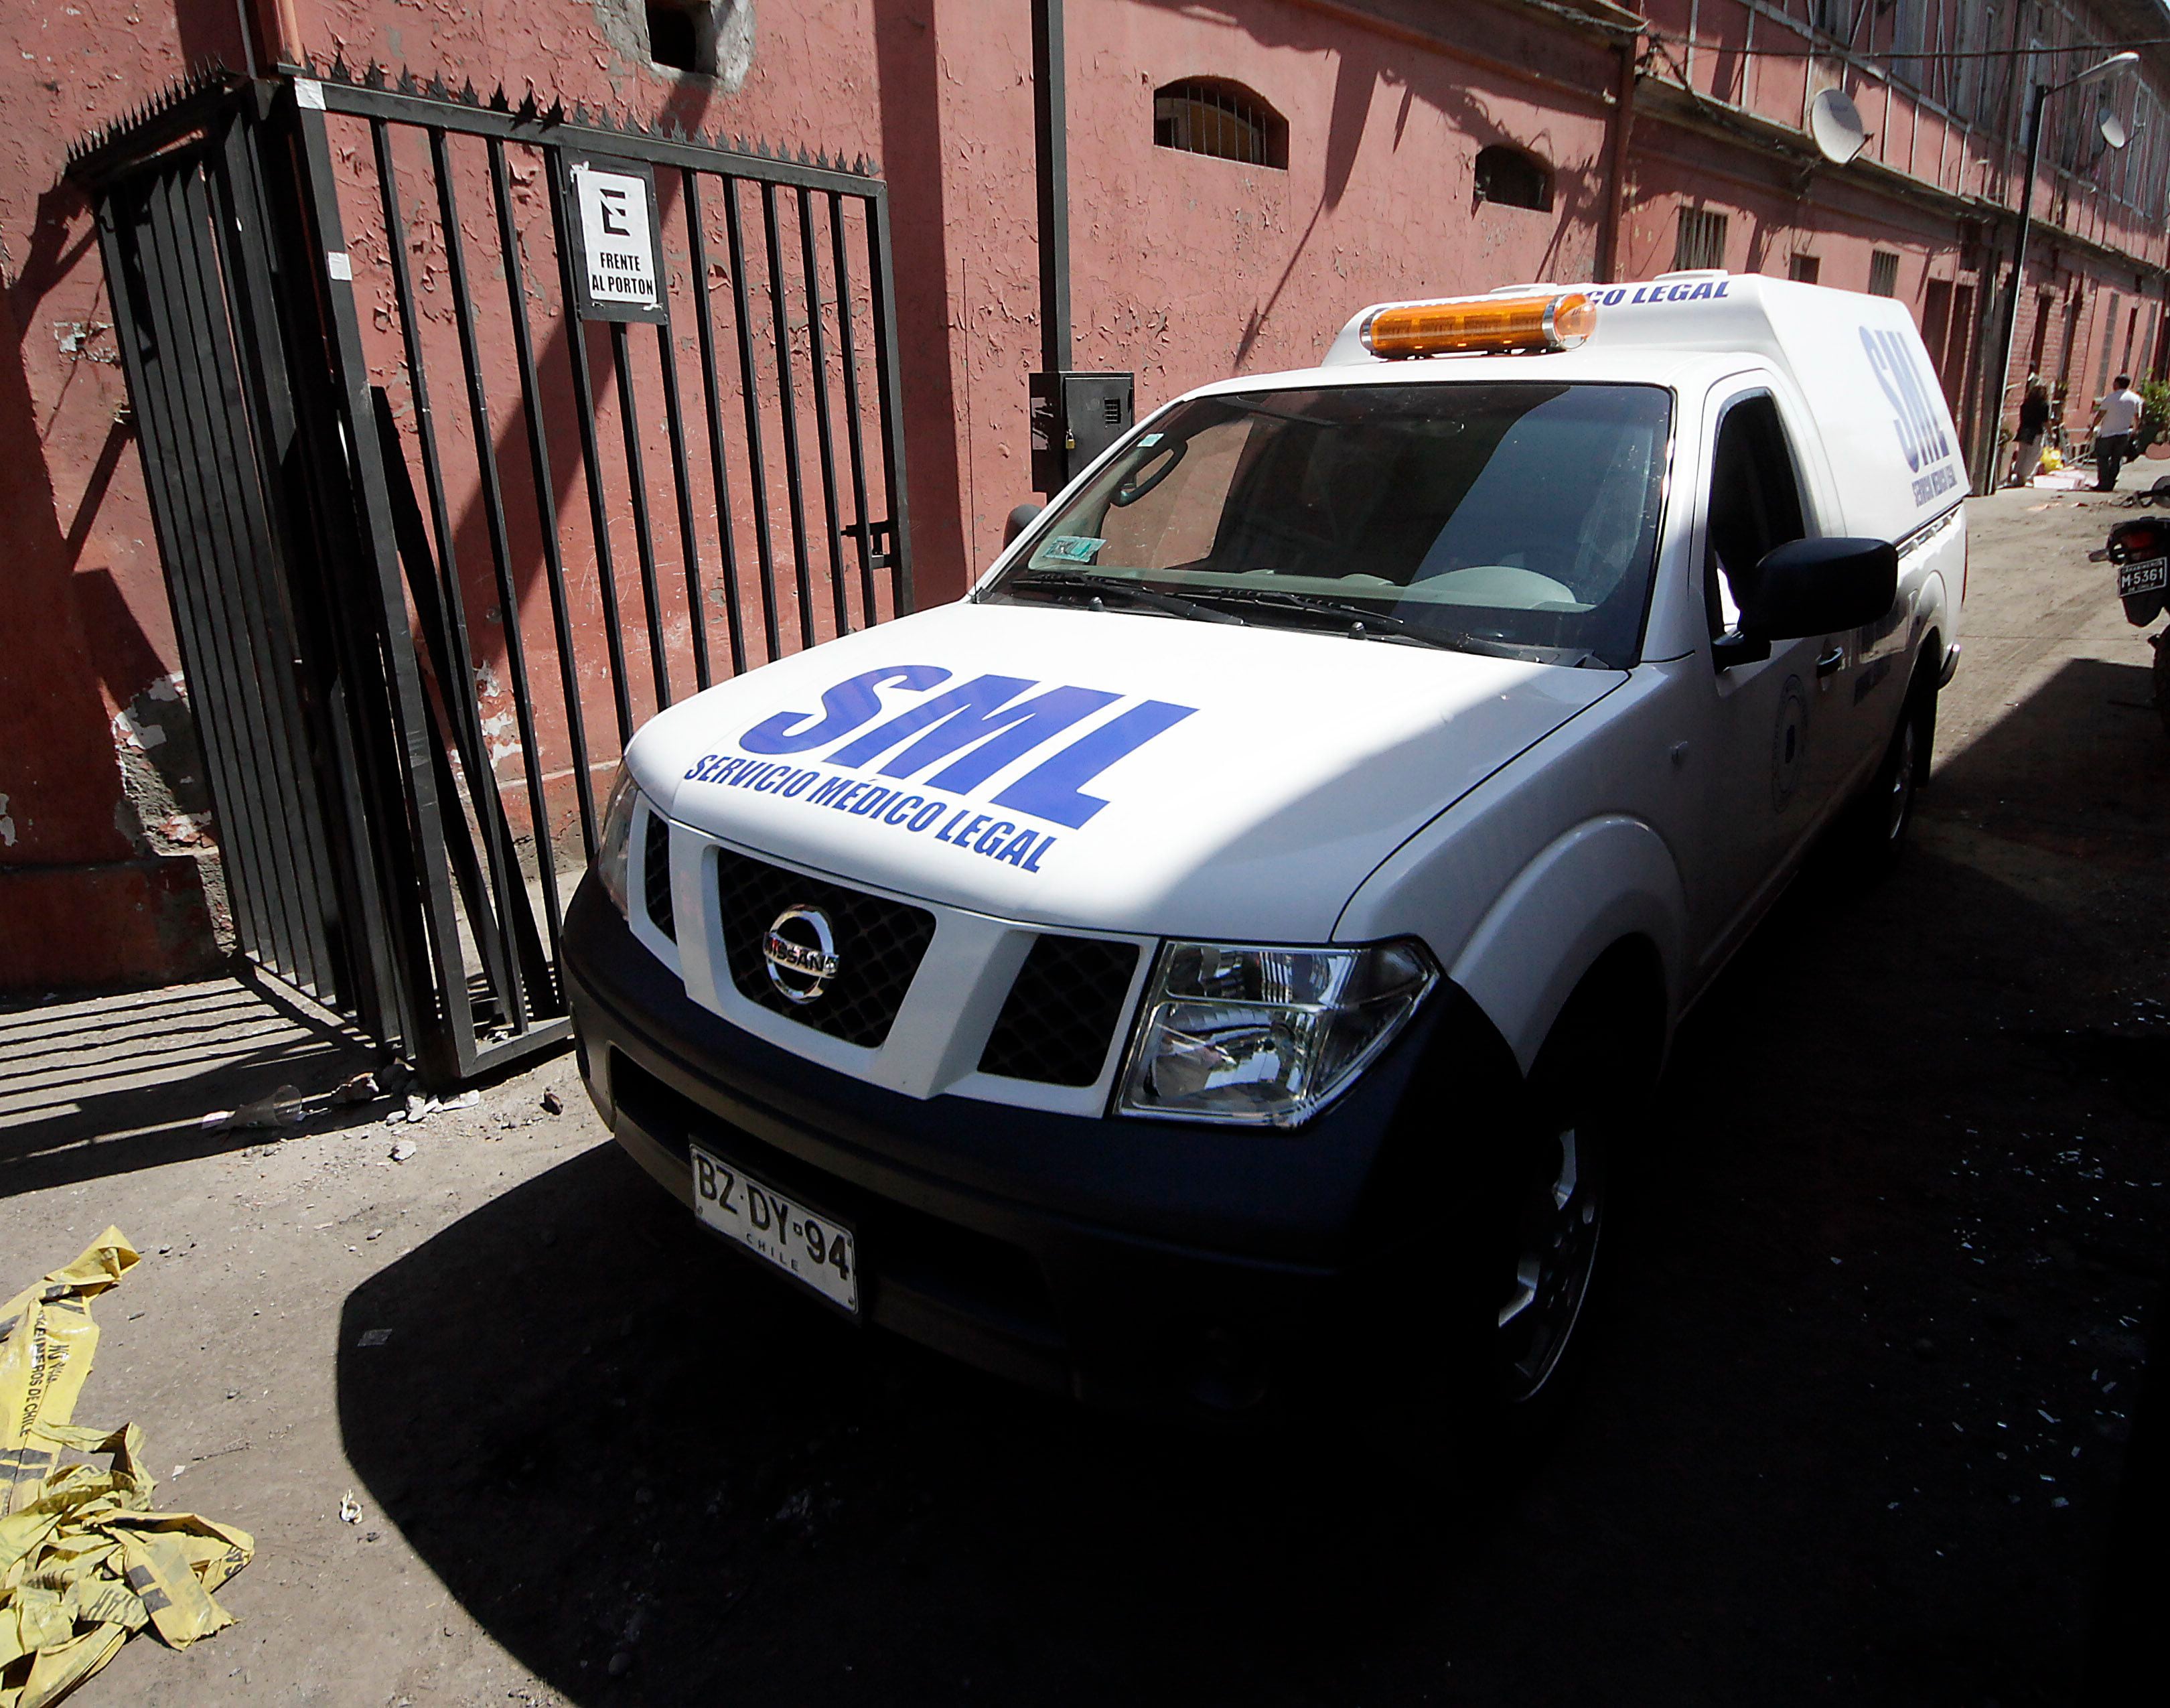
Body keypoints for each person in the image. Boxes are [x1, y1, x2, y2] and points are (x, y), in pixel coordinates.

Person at [2092, 373, 2145, 492]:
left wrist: (2092, 428)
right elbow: (2138, 417)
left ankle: (2103, 483)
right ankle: (2111, 482)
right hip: (2123, 433)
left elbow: (2100, 414)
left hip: (2107, 433)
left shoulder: (2111, 398)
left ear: (2117, 384)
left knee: (2103, 458)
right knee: (2117, 459)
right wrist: (2135, 430)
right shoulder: (2135, 399)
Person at [2008, 375, 2051, 486]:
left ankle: (2018, 476)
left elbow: (2021, 416)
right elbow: (2046, 422)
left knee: (2022, 454)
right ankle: (2024, 477)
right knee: (2033, 455)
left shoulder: (2026, 403)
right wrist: (2051, 434)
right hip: (2036, 432)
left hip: (2024, 430)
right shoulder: (2044, 405)